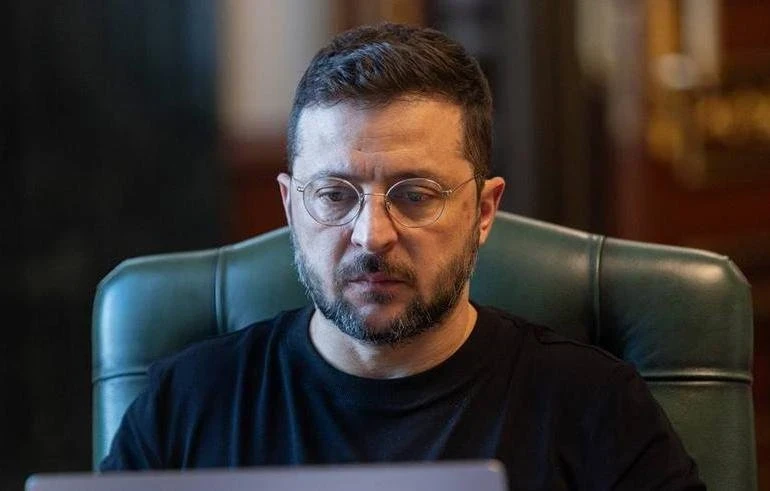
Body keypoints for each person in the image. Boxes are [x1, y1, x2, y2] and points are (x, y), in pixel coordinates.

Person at [100, 22, 704, 489]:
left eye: (415, 196)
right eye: (334, 196)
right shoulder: (189, 403)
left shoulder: (594, 406)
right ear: (289, 207)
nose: (372, 236)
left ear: (483, 212)